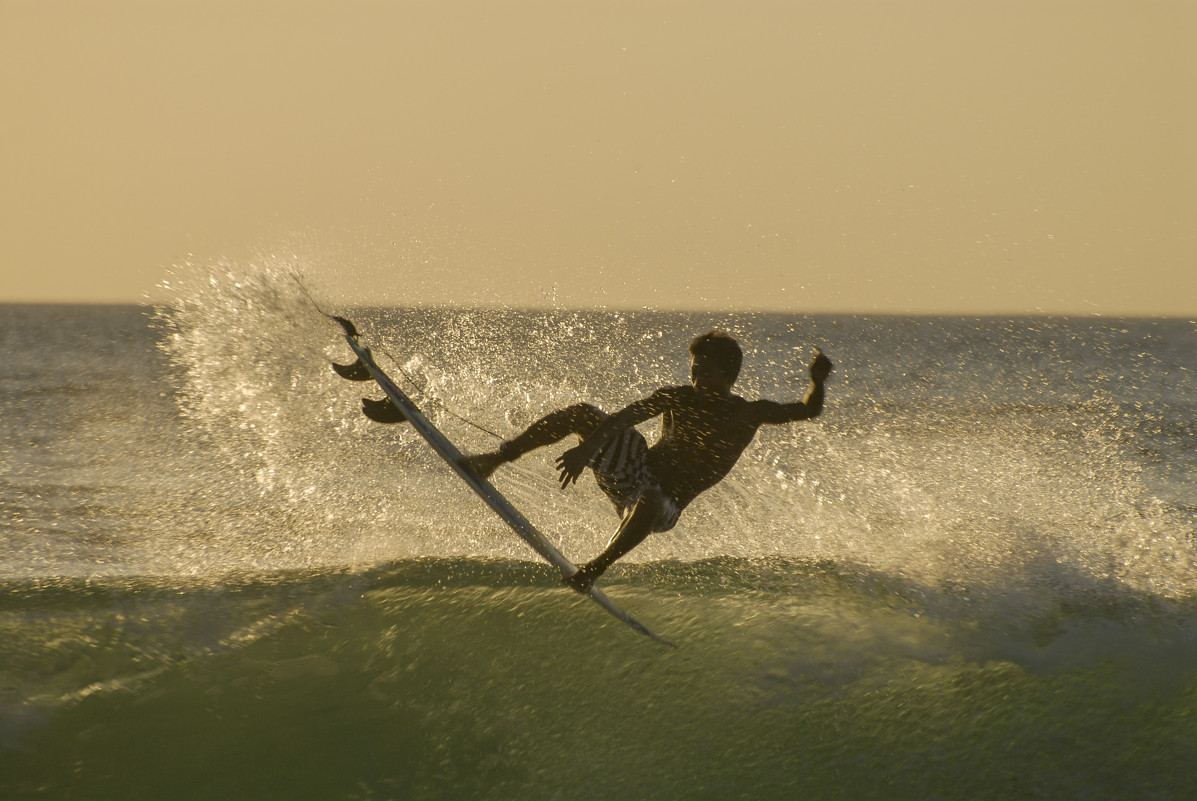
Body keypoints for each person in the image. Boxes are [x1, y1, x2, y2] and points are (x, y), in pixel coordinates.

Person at [461, 331, 833, 592]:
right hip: (633, 472)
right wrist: (588, 448)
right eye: (693, 368)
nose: (695, 376)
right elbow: (628, 416)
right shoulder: (677, 397)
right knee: (583, 413)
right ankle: (495, 459)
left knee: (651, 498)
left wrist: (817, 380)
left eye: (704, 371)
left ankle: (594, 568)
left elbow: (807, 410)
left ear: (728, 375)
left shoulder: (748, 414)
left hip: (665, 505)